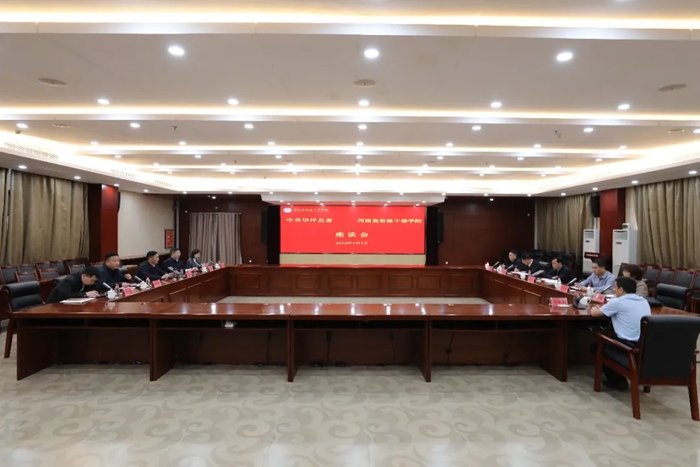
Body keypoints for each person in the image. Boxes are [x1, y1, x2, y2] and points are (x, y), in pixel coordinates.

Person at [588, 276, 652, 390]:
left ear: (621, 290)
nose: (614, 290)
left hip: (626, 347)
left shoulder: (618, 302)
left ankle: (618, 381)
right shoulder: (644, 301)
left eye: (615, 287)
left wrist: (594, 306)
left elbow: (595, 313)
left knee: (596, 346)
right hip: (644, 347)